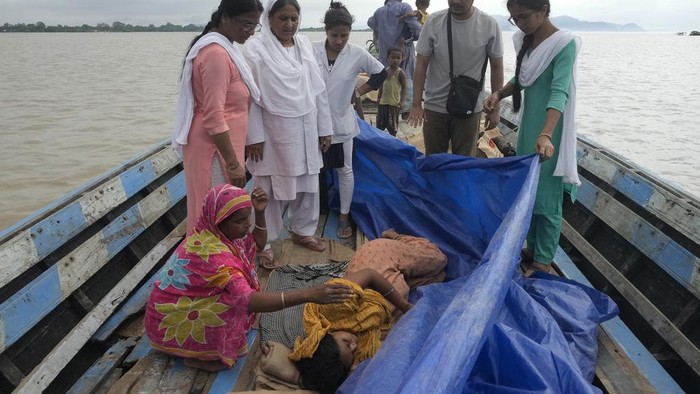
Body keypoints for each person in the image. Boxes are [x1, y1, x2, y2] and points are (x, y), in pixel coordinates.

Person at [145, 184, 354, 372]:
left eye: (248, 218)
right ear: (219, 220)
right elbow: (248, 301)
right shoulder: (214, 256)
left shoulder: (214, 233)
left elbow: (257, 245)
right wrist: (309, 294)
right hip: (170, 319)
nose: (247, 225)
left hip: (180, 305)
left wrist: (260, 213)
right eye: (240, 221)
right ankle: (198, 357)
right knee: (231, 307)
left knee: (235, 300)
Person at [262, 229, 447, 392]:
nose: (354, 345)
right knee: (439, 278)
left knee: (439, 260)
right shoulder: (363, 343)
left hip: (380, 258)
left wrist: (405, 306)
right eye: (352, 353)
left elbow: (370, 275)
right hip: (397, 282)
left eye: (346, 343)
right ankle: (408, 274)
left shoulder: (333, 307)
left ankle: (395, 236)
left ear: (328, 335)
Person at [483, 0, 580, 275]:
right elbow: (522, 80)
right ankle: (533, 248)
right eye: (514, 19)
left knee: (547, 197)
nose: (520, 24)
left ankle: (543, 262)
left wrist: (547, 134)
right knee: (530, 191)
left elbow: (560, 92)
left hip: (551, 130)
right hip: (530, 128)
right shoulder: (526, 41)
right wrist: (498, 94)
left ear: (543, 11)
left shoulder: (564, 43)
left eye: (524, 17)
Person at [243, 0, 334, 268]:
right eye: (283, 18)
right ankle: (264, 241)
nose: (289, 24)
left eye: (294, 18)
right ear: (269, 18)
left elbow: (318, 91)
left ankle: (303, 230)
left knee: (308, 182)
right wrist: (254, 136)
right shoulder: (255, 50)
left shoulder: (304, 46)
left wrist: (324, 128)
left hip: (306, 126)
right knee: (266, 186)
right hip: (271, 131)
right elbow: (250, 98)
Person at [171, 0, 264, 235]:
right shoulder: (215, 54)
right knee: (217, 215)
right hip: (214, 150)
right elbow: (213, 116)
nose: (251, 32)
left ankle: (221, 265)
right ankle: (212, 268)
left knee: (219, 212)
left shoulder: (225, 49)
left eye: (255, 26)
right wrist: (234, 164)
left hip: (222, 147)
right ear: (224, 18)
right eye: (246, 25)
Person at [312, 1, 387, 239]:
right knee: (314, 170)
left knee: (344, 170)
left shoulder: (356, 53)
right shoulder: (311, 51)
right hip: (313, 123)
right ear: (326, 31)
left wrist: (359, 92)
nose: (339, 40)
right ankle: (315, 213)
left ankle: (344, 216)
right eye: (335, 35)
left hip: (342, 122)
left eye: (344, 35)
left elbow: (381, 72)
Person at [408, 0, 504, 156]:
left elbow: (497, 67)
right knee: (434, 160)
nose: (455, 1)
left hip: (469, 107)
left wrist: (495, 108)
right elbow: (421, 64)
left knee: (464, 162)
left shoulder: (488, 25)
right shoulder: (434, 21)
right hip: (435, 106)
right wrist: (416, 104)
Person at [368, 0, 422, 119]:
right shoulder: (404, 8)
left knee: (387, 82)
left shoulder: (379, 12)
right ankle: (404, 112)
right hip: (403, 56)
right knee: (405, 82)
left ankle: (387, 112)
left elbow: (370, 23)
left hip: (385, 57)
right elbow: (419, 33)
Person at [376, 47, 407, 136]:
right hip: (383, 103)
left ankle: (392, 141)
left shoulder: (401, 73)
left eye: (398, 58)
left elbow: (404, 88)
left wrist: (401, 101)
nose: (395, 60)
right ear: (388, 58)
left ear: (402, 59)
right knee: (380, 125)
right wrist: (378, 97)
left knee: (393, 126)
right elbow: (381, 85)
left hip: (394, 104)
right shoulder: (385, 71)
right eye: (393, 57)